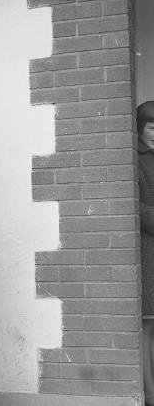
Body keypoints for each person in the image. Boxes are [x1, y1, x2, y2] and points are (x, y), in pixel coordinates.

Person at [138, 101, 154, 406]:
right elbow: (134, 207)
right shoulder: (133, 160)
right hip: (150, 251)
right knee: (149, 325)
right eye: (151, 126)